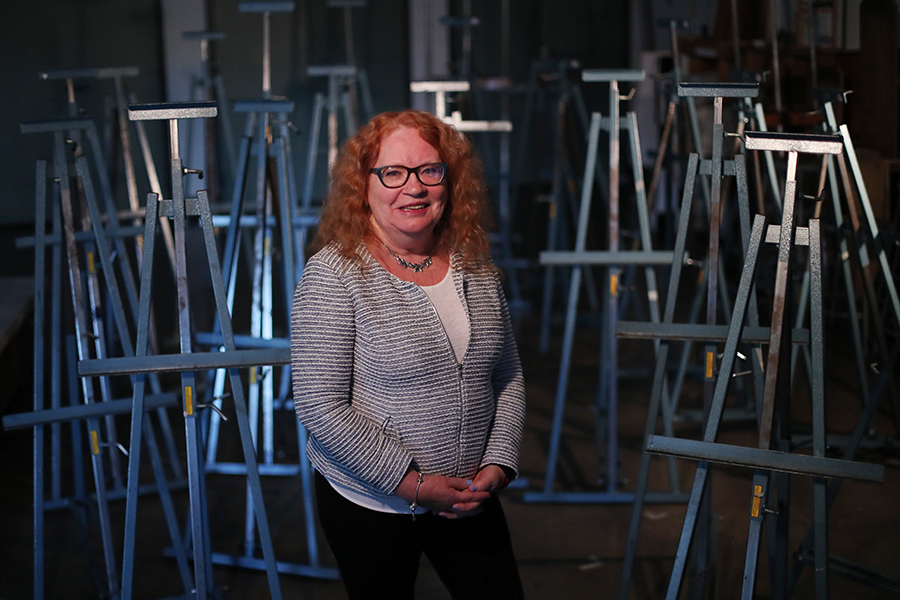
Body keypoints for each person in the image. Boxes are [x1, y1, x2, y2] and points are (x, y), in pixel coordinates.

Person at [291, 109, 526, 599]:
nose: (413, 188)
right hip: (373, 503)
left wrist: (498, 463)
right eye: (393, 172)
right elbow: (319, 403)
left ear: (448, 179)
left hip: (469, 497)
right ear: (365, 185)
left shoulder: (473, 261)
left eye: (429, 171)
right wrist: (412, 484)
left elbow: (505, 373)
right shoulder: (333, 274)